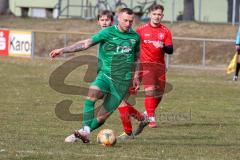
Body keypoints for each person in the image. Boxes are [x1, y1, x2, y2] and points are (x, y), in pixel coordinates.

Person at [49, 8, 141, 143]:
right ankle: (85, 131)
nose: (128, 24)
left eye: (131, 21)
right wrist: (63, 50)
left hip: (122, 83)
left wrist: (137, 76)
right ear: (119, 19)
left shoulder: (135, 37)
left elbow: (138, 58)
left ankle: (82, 133)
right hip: (105, 75)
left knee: (101, 118)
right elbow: (85, 44)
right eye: (125, 20)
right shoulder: (107, 32)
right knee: (92, 94)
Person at [97, 10, 148, 141]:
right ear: (98, 21)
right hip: (109, 74)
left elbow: (136, 57)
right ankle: (142, 119)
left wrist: (135, 75)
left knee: (119, 102)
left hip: (125, 74)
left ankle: (129, 133)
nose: (104, 23)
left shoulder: (126, 36)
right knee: (119, 102)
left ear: (113, 21)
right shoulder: (106, 35)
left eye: (107, 20)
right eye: (102, 20)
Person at [135, 4, 173, 128]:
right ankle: (151, 119)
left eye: (159, 14)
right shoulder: (141, 30)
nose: (157, 17)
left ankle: (147, 113)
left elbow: (170, 50)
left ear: (162, 15)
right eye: (154, 14)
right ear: (150, 14)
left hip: (160, 66)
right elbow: (133, 45)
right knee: (150, 90)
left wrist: (162, 46)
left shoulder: (165, 31)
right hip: (146, 65)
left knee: (159, 94)